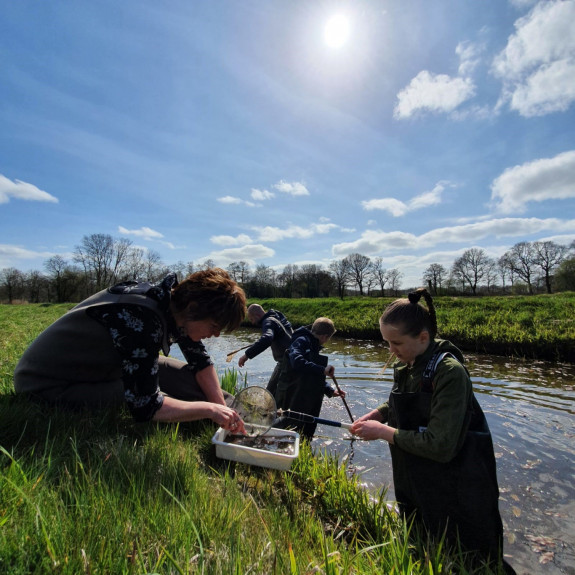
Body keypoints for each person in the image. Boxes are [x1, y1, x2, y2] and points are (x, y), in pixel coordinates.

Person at [350, 288, 514, 572]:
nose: (391, 351)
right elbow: (401, 399)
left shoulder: (449, 372)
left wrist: (384, 432)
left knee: (470, 558)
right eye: (387, 343)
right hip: (418, 478)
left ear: (423, 337)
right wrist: (381, 413)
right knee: (422, 542)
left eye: (396, 343)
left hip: (457, 482)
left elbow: (440, 445)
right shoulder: (408, 362)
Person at [13, 268, 247, 434]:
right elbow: (147, 406)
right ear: (193, 307)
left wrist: (220, 406)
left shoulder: (172, 304)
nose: (216, 335)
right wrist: (208, 409)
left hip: (98, 369)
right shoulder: (143, 318)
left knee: (170, 373)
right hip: (45, 385)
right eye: (214, 326)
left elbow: (199, 360)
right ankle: (223, 418)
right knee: (134, 392)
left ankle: (243, 417)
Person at [274, 317, 345, 440]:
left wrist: (330, 390)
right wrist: (322, 370)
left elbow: (311, 375)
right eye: (328, 338)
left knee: (304, 431)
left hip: (302, 393)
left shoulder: (313, 345)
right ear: (325, 337)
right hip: (291, 393)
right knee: (286, 428)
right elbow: (296, 361)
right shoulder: (301, 341)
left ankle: (302, 448)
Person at [237, 304, 293, 394]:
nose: (252, 323)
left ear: (257, 315)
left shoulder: (268, 321)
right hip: (292, 360)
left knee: (269, 394)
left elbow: (267, 339)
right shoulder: (277, 318)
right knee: (278, 393)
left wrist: (246, 355)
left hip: (286, 363)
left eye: (252, 319)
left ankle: (272, 408)